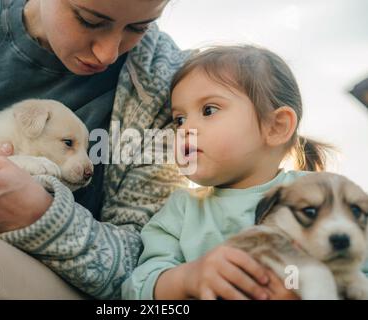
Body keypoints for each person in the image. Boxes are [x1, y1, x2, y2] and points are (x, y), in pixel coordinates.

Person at [0, 0, 190, 299]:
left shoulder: (171, 86)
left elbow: (147, 272)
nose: (108, 53)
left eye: (138, 28)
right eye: (89, 20)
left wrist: (39, 217)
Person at [122, 45, 334, 300]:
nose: (186, 129)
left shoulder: (323, 199)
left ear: (275, 126)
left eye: (209, 110)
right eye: (179, 120)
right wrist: (188, 278)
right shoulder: (180, 211)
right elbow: (137, 289)